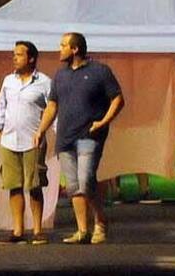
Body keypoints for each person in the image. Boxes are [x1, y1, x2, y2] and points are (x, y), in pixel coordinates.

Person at [34, 32, 124, 245]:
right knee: (73, 185)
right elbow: (53, 105)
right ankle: (82, 229)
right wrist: (41, 130)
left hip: (89, 136)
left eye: (63, 45)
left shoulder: (100, 71)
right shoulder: (60, 75)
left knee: (86, 180)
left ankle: (100, 221)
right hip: (65, 137)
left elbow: (118, 99)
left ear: (75, 49)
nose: (60, 49)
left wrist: (103, 122)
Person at [0, 40, 52, 244]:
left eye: (19, 54)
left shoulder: (44, 82)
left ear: (31, 58)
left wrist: (48, 132)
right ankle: (18, 230)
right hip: (9, 139)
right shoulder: (8, 81)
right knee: (14, 185)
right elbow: (1, 110)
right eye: (14, 54)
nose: (15, 58)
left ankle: (38, 229)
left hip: (33, 140)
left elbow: (52, 110)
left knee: (34, 185)